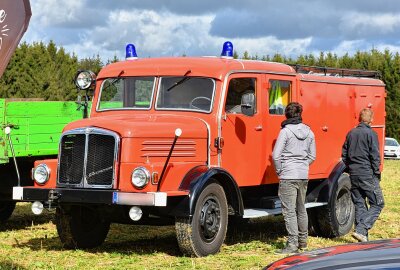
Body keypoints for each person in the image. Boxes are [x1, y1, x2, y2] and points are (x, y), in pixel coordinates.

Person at [272, 102, 316, 254]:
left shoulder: (285, 131)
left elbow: (276, 155)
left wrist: (280, 170)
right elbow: (312, 156)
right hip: (303, 175)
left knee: (289, 211)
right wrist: (303, 165)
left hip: (288, 175)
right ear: (300, 114)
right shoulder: (309, 132)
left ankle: (292, 244)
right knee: (301, 208)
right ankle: (303, 242)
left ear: (287, 114)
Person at [342, 108, 384, 242]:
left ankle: (362, 237)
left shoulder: (351, 133)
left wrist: (350, 168)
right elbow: (375, 156)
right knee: (378, 203)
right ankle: (361, 230)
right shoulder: (371, 134)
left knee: (360, 203)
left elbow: (344, 155)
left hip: (353, 173)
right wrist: (376, 173)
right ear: (372, 119)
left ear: (359, 118)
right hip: (367, 173)